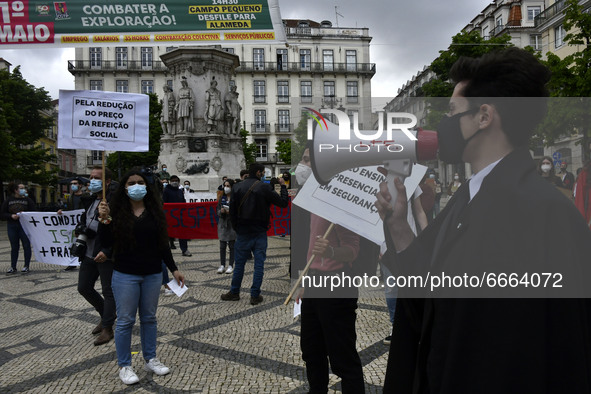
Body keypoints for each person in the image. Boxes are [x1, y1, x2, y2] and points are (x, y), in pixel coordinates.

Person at [375, 48, 591, 392]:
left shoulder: (543, 212)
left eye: (452, 111)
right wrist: (399, 226)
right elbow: (429, 292)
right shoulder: (469, 197)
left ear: (484, 116)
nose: (443, 124)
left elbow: (558, 351)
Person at [97, 168, 185, 385]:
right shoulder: (115, 211)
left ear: (147, 186)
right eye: (131, 183)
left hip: (153, 273)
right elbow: (107, 242)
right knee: (126, 320)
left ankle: (150, 358)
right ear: (124, 188)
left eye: (140, 182)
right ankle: (125, 365)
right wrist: (104, 220)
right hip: (125, 273)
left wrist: (173, 268)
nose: (136, 186)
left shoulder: (155, 211)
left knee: (149, 318)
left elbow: (162, 243)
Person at [292, 148, 365, 393]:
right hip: (313, 281)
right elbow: (306, 242)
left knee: (343, 358)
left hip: (337, 283)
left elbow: (353, 249)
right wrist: (303, 278)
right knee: (312, 351)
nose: (302, 166)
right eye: (303, 160)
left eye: (306, 161)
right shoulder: (312, 198)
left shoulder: (340, 201)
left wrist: (331, 252)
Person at [221, 163, 289, 305]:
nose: (263, 174)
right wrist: (283, 186)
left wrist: (237, 227)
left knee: (239, 264)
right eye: (263, 172)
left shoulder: (237, 187)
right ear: (258, 172)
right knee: (259, 264)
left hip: (243, 231)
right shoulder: (264, 187)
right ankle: (255, 295)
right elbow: (283, 203)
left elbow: (232, 211)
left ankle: (234, 292)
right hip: (259, 231)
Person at [74, 166, 116, 346]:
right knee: (84, 287)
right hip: (89, 253)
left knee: (108, 291)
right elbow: (87, 221)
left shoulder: (113, 202)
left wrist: (107, 250)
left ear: (107, 182)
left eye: (96, 178)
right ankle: (105, 314)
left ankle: (107, 327)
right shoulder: (90, 201)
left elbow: (118, 230)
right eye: (90, 177)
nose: (92, 181)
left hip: (105, 255)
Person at [1, 183, 35, 274]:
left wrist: (25, 214)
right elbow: (2, 213)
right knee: (14, 246)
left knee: (26, 246)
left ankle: (26, 266)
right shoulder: (8, 201)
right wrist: (11, 216)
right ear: (16, 190)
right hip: (12, 225)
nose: (24, 189)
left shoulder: (28, 200)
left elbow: (34, 212)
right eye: (21, 188)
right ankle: (13, 266)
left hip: (24, 226)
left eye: (24, 188)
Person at [59, 178, 89, 271]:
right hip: (72, 223)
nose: (73, 185)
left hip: (83, 222)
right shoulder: (70, 198)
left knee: (84, 241)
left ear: (80, 185)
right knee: (72, 242)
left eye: (75, 183)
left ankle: (84, 261)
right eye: (72, 184)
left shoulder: (86, 196)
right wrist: (62, 211)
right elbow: (67, 209)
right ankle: (72, 262)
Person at [162, 175, 192, 257]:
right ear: (170, 181)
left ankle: (184, 250)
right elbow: (164, 203)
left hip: (180, 216)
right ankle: (165, 251)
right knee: (167, 234)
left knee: (182, 233)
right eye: (173, 180)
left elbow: (183, 202)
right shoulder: (166, 191)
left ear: (178, 182)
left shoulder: (179, 191)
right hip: (170, 216)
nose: (174, 182)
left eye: (176, 180)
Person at [216, 179, 236, 274]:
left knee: (232, 246)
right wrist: (221, 212)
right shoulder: (221, 198)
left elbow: (238, 211)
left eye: (228, 186)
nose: (226, 188)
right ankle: (222, 265)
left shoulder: (235, 198)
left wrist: (231, 212)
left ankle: (231, 265)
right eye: (225, 186)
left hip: (232, 224)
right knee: (222, 245)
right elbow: (217, 211)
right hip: (223, 224)